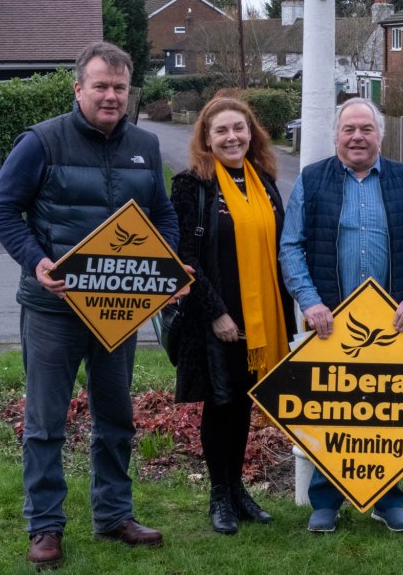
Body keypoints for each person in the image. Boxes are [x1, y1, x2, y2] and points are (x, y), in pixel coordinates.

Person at [0, 42, 177, 569]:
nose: (110, 96)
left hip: (118, 309)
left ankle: (114, 514)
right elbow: (0, 207)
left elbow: (162, 214)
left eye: (119, 87)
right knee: (46, 422)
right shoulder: (42, 141)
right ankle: (45, 526)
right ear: (78, 89)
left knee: (116, 417)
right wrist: (36, 261)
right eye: (101, 86)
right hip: (54, 310)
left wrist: (167, 265)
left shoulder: (145, 145)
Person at [279, 98, 403, 533]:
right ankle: (325, 501)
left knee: (388, 412)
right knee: (331, 411)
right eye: (349, 129)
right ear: (336, 135)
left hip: (393, 321)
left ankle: (388, 500)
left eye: (366, 129)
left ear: (379, 135)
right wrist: (310, 301)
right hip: (328, 320)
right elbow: (291, 246)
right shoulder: (312, 180)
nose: (357, 137)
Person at [169, 97, 296, 535]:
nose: (232, 137)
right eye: (221, 130)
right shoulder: (191, 185)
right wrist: (216, 313)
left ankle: (238, 490)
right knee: (219, 402)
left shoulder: (264, 181)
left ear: (251, 133)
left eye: (239, 128)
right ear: (206, 138)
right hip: (215, 317)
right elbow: (184, 257)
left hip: (261, 315)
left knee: (242, 403)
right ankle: (219, 494)